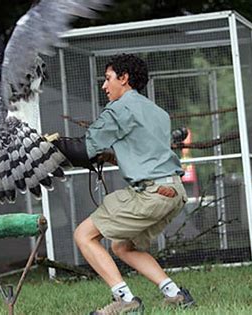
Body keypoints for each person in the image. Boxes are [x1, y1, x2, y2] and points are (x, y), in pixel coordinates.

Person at [54, 54, 194, 314]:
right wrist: (110, 155)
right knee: (122, 247)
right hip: (173, 191)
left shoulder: (120, 108)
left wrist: (49, 144)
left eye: (108, 79)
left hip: (150, 194)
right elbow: (146, 151)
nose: (104, 86)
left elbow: (82, 149)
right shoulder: (157, 112)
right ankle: (175, 294)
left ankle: (125, 300)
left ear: (124, 78)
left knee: (83, 235)